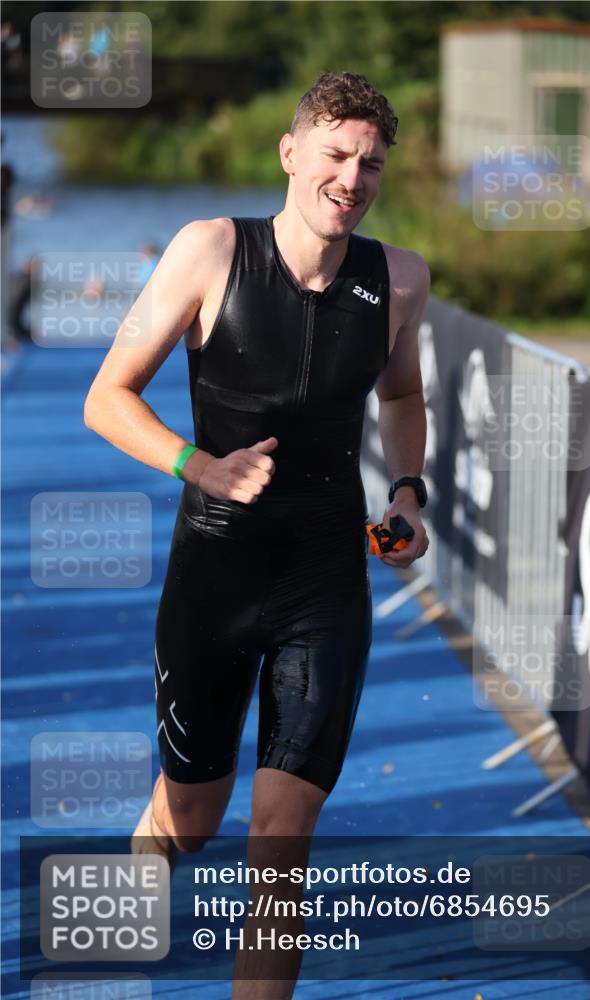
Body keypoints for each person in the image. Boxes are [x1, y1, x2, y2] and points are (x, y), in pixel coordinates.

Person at [83, 71, 430, 997]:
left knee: (282, 842)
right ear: (290, 153)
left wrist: (406, 495)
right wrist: (198, 464)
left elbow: (399, 395)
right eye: (335, 155)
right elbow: (105, 399)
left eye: (370, 164)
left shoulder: (398, 279)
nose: (351, 179)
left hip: (324, 580)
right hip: (216, 574)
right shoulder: (208, 251)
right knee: (191, 820)